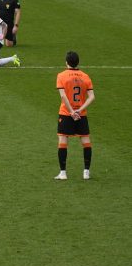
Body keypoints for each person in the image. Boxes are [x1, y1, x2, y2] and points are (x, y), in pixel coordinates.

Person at [55, 51, 95, 180]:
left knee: (63, 140)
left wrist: (72, 111)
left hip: (66, 113)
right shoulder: (85, 76)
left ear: (66, 62)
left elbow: (63, 95)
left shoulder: (61, 76)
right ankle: (86, 172)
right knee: (86, 141)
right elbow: (92, 97)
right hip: (81, 114)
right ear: (78, 62)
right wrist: (79, 110)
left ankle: (63, 173)